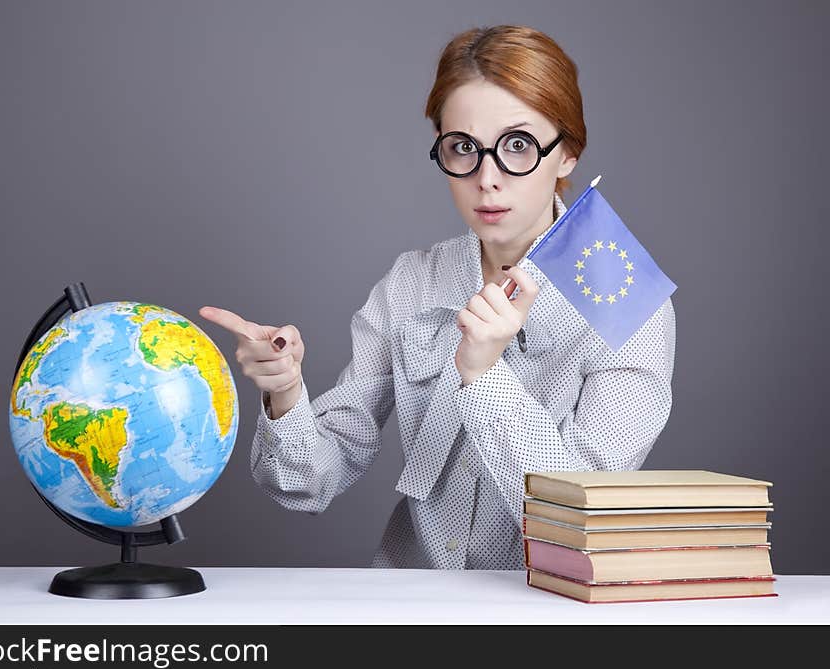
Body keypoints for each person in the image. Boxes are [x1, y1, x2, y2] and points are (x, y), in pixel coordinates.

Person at [199, 25, 676, 570]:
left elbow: (578, 520)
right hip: (408, 602)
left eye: (518, 145)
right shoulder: (413, 283)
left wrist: (484, 376)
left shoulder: (630, 301)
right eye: (463, 148)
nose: (487, 178)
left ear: (567, 154)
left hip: (543, 612)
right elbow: (310, 485)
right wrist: (285, 394)